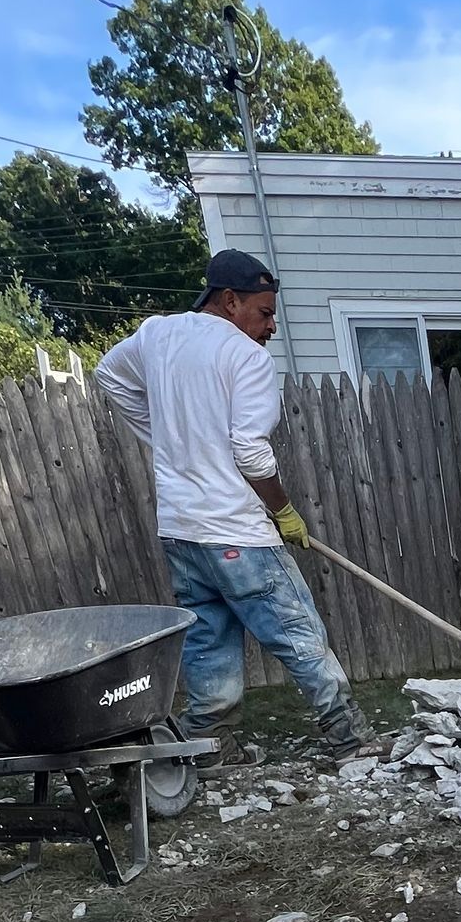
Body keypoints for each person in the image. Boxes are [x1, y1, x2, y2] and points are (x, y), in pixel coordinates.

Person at [95, 249, 370, 759]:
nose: (270, 328)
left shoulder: (157, 334)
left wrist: (166, 437)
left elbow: (109, 375)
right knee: (297, 633)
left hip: (180, 530)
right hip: (236, 533)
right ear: (229, 300)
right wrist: (284, 510)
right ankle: (349, 739)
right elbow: (249, 450)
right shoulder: (246, 357)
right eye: (264, 313)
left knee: (208, 640)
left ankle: (210, 743)